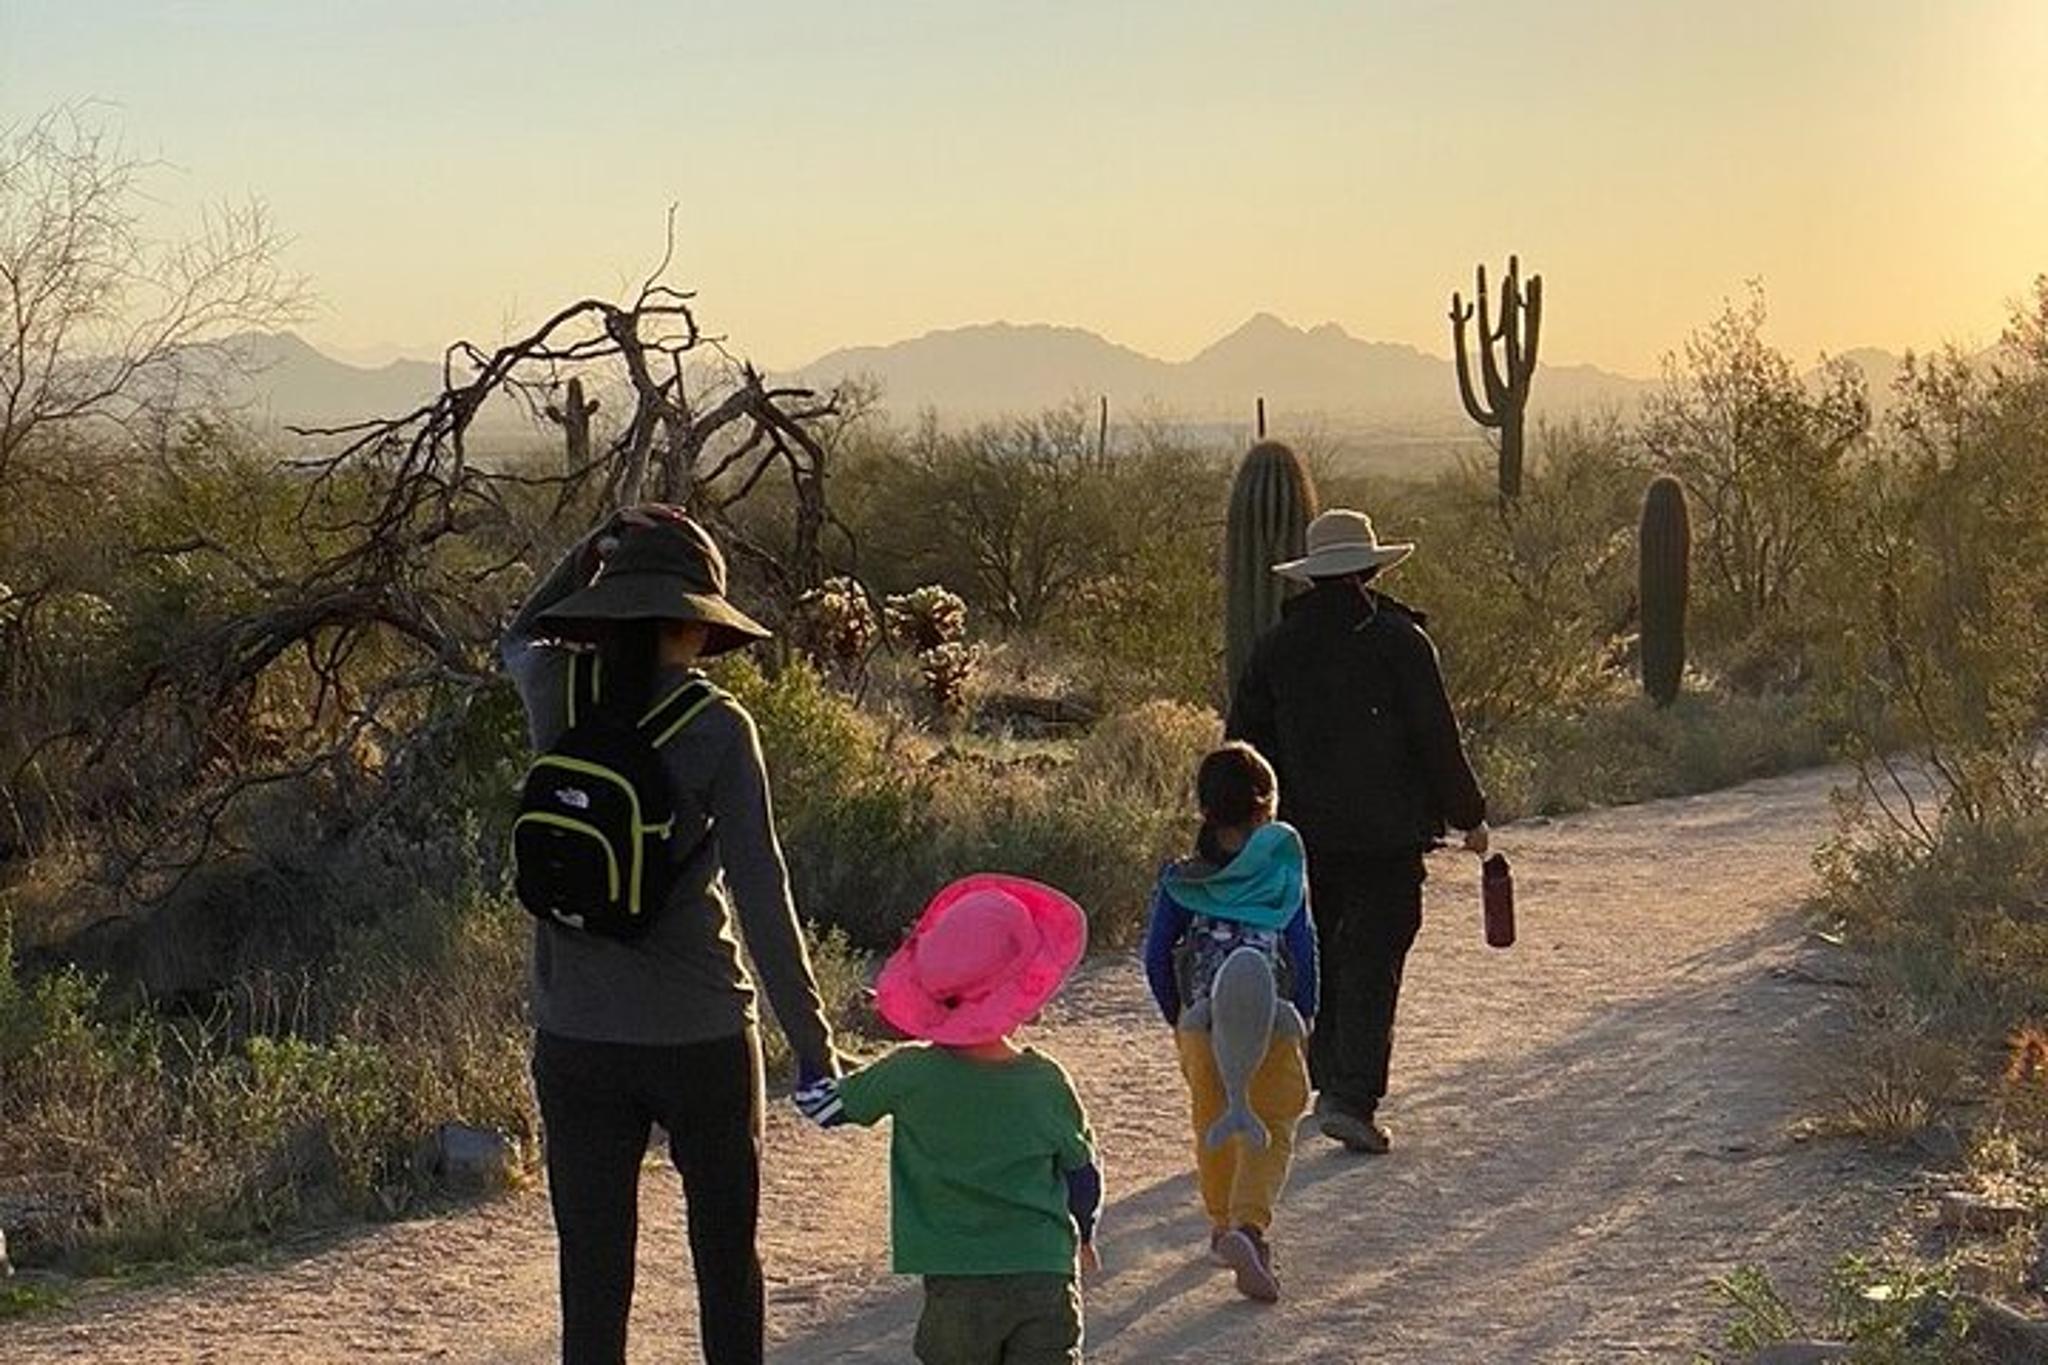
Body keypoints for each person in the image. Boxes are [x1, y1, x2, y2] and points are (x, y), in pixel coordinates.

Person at [501, 505, 842, 1365]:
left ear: (610, 604)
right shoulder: (718, 725)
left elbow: (517, 632)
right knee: (727, 1261)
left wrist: (583, 553)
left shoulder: (555, 690)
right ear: (697, 620)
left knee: (593, 1268)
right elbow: (764, 893)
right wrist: (813, 1045)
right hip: (701, 1034)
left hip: (574, 1032)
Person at [1227, 508, 1488, 1155]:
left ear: (1315, 576)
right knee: (1375, 956)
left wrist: (1237, 831)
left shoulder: (1275, 647)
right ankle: (1351, 1094)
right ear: (1370, 568)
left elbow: (1243, 749)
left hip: (1300, 837)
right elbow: (1437, 738)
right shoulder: (1400, 640)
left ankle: (1329, 1078)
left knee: (1320, 953)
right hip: (1388, 836)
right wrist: (1470, 814)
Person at [793, 874, 1101, 1365]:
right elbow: (1082, 1174)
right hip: (1044, 1273)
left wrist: (811, 1059)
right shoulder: (1047, 1081)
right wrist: (1085, 1231)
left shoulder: (909, 1073)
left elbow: (823, 1106)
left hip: (957, 1283)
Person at [1141, 742, 1318, 1303]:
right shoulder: (1281, 870)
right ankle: (1249, 1227)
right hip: (1269, 1018)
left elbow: (1155, 955)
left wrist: (1179, 1018)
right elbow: (1302, 945)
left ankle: (1221, 1225)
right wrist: (1307, 1012)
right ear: (1266, 809)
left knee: (1212, 1117)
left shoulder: (1182, 879)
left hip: (1200, 1020)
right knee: (1275, 1116)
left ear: (1205, 810)